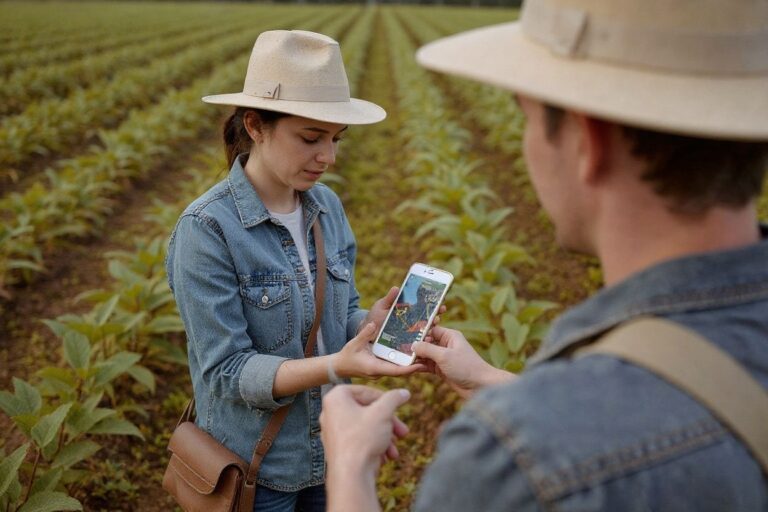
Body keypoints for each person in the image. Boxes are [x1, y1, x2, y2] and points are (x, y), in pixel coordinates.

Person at [319, 0, 768, 510]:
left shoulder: (518, 456)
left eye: (526, 118)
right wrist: (489, 379)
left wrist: (351, 468)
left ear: (587, 140)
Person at [165, 30, 426, 512]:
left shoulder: (326, 207)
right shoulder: (207, 231)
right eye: (310, 138)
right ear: (256, 125)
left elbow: (338, 316)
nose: (327, 157)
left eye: (334, 139)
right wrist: (334, 367)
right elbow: (225, 371)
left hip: (330, 451)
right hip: (254, 470)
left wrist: (373, 323)